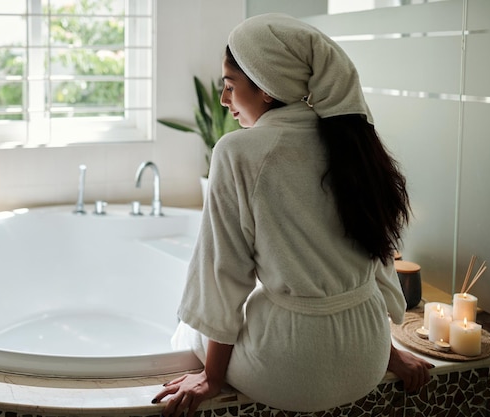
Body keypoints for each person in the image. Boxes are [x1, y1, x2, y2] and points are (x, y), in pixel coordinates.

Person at [152, 13, 433, 416]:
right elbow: (375, 253)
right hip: (368, 352)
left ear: (265, 88)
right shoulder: (350, 141)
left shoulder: (237, 152)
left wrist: (212, 378)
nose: (224, 100)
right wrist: (390, 354)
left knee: (189, 329)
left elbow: (223, 274)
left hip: (292, 369)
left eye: (230, 86)